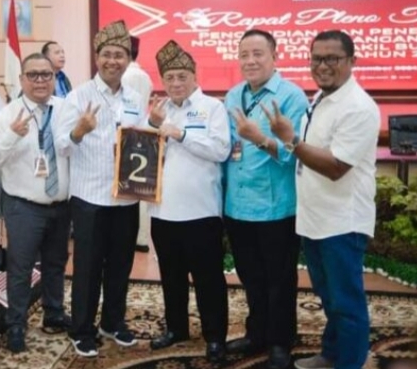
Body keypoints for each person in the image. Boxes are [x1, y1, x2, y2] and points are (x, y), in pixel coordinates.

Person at [262, 31, 380, 369]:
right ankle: (331, 354)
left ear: (352, 61)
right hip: (315, 219)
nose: (323, 66)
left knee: (347, 303)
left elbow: (336, 167)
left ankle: (350, 363)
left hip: (343, 222)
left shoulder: (359, 107)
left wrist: (291, 140)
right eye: (317, 58)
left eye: (332, 59)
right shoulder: (321, 98)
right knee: (329, 298)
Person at [55, 20, 144, 358]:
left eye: (120, 55)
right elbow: (61, 145)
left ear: (128, 60)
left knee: (121, 264)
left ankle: (112, 321)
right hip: (90, 197)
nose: (113, 61)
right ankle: (82, 329)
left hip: (126, 197)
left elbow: (142, 142)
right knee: (88, 268)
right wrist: (79, 130)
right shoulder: (78, 97)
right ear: (97, 57)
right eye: (107, 54)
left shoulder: (135, 98)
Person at [223, 29, 309, 369]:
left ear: (275, 56)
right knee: (251, 277)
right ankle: (256, 333)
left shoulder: (291, 97)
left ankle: (280, 342)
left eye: (258, 53)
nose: (250, 61)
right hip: (237, 205)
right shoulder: (233, 95)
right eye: (244, 54)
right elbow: (227, 148)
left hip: (276, 207)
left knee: (279, 280)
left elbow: (295, 154)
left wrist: (259, 138)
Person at [145, 40, 230, 364]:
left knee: (209, 280)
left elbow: (220, 150)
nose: (176, 83)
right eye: (169, 78)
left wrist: (181, 134)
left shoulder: (212, 108)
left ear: (194, 77)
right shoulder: (160, 110)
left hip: (200, 212)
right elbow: (143, 155)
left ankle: (215, 337)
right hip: (163, 212)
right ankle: (176, 328)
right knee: (171, 277)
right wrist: (152, 126)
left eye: (182, 76)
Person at [0, 53, 71, 353]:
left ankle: (54, 312)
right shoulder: (7, 115)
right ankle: (16, 323)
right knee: (20, 268)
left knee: (56, 263)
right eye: (33, 75)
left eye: (46, 74)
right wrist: (12, 135)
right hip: (23, 206)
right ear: (22, 79)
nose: (40, 80)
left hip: (61, 204)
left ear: (54, 77)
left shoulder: (65, 109)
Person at [121, 36, 153, 253]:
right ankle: (142, 238)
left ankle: (131, 235)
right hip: (144, 133)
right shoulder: (145, 77)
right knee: (142, 188)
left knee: (128, 187)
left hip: (126, 135)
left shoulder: (125, 77)